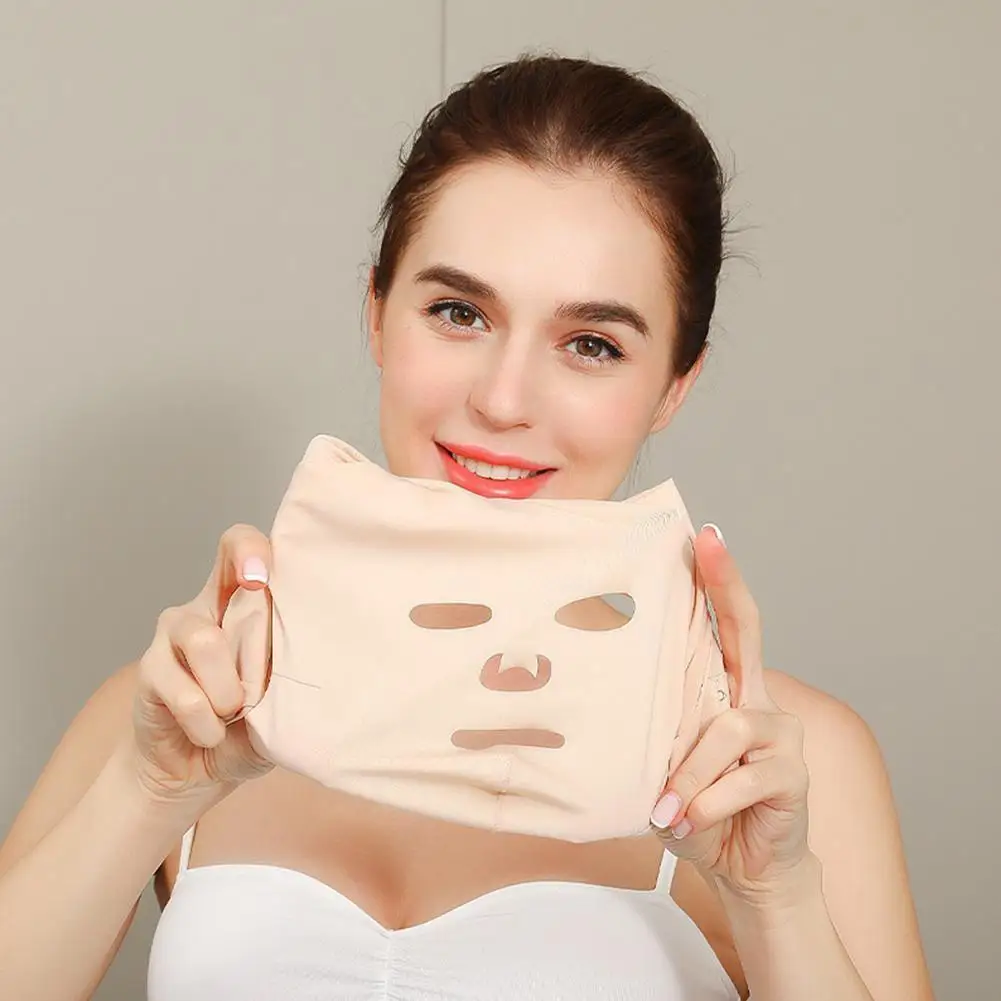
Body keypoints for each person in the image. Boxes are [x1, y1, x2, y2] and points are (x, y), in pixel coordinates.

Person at [0, 55, 935, 1001]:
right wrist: (149, 789)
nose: (502, 399)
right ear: (376, 315)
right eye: (458, 312)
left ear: (672, 388)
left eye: (591, 344)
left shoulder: (778, 763)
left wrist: (772, 895)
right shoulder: (182, 708)